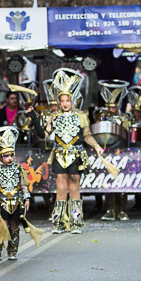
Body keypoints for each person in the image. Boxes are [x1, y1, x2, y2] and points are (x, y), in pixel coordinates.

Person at [41, 68, 104, 234]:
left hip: (75, 155)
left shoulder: (81, 115)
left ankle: (76, 222)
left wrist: (97, 146)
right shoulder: (52, 116)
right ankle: (59, 223)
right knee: (61, 188)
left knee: (74, 188)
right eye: (62, 100)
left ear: (73, 100)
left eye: (67, 100)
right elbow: (46, 136)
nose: (65, 103)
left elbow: (87, 135)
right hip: (59, 155)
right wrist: (43, 124)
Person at [0, 127, 29, 261]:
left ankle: (12, 250)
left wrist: (27, 198)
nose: (9, 158)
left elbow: (23, 185)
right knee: (2, 225)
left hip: (16, 202)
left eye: (11, 155)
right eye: (6, 156)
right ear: (0, 157)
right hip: (2, 202)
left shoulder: (19, 169)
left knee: (15, 225)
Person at [95, 80, 132, 221]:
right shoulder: (102, 117)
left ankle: (122, 210)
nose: (111, 110)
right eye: (109, 107)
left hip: (121, 152)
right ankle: (110, 210)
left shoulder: (124, 118)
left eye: (114, 107)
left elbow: (128, 132)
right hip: (107, 152)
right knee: (108, 181)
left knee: (121, 182)